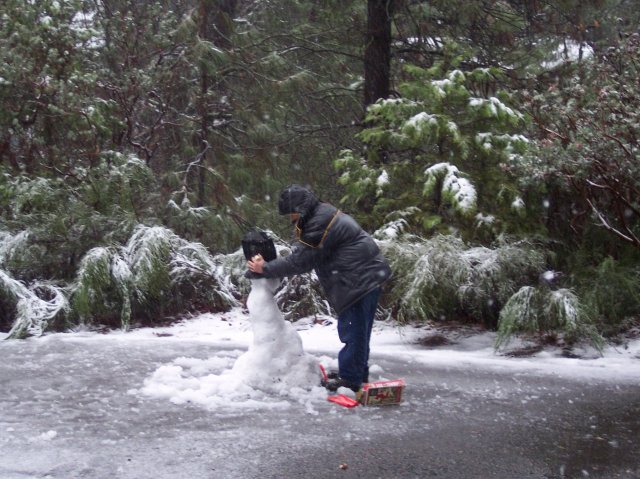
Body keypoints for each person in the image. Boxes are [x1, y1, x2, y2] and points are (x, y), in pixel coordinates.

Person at [247, 184, 392, 393]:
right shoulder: (321, 215)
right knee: (358, 331)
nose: (291, 219)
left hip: (358, 280)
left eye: (292, 213)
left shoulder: (319, 223)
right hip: (364, 277)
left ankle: (351, 381)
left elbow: (301, 261)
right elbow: (302, 252)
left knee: (353, 331)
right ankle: (355, 373)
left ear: (300, 208)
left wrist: (266, 268)